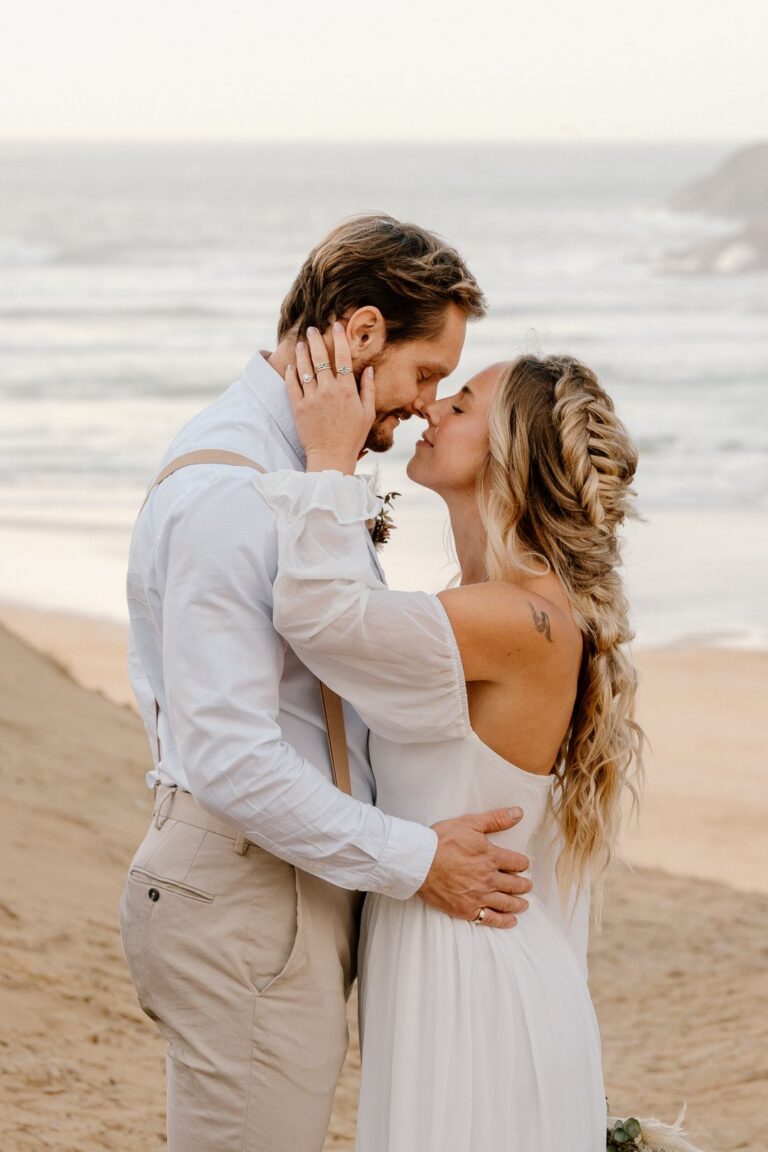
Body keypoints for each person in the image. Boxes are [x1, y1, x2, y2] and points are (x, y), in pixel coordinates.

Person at [119, 215, 536, 1152]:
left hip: (278, 881)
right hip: (241, 888)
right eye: (426, 374)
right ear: (360, 334)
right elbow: (230, 757)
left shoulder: (302, 470)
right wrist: (417, 858)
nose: (429, 406)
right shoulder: (234, 492)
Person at [254, 327, 644, 1151]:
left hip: (476, 977)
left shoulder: (520, 619)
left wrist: (330, 456)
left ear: (510, 453)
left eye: (460, 403)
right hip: (452, 953)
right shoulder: (483, 608)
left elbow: (318, 617)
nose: (431, 407)